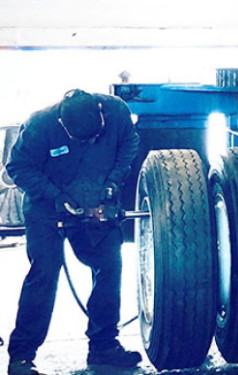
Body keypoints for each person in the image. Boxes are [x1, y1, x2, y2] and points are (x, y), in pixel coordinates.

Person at [5, 89, 141, 375]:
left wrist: (113, 182)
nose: (90, 142)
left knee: (109, 264)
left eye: (94, 137)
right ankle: (21, 356)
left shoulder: (116, 111)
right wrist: (55, 196)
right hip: (48, 207)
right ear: (63, 125)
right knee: (45, 271)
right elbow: (17, 167)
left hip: (96, 200)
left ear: (101, 113)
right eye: (81, 140)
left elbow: (129, 143)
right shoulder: (40, 125)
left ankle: (104, 346)